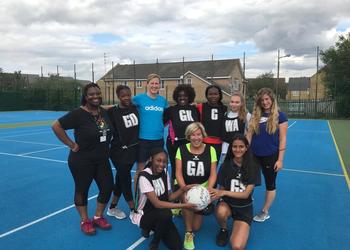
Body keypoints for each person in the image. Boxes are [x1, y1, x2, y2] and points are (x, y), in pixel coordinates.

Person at [51, 83, 113, 235]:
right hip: (81, 160)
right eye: (91, 94)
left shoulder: (102, 112)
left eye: (98, 93)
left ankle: (98, 216)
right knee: (82, 190)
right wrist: (71, 144)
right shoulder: (77, 114)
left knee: (107, 187)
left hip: (102, 159)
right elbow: (56, 126)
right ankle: (85, 220)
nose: (95, 96)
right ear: (85, 97)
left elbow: (111, 107)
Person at [130, 148, 196, 250]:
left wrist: (183, 189)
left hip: (162, 214)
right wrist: (184, 205)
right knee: (166, 214)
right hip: (145, 215)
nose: (162, 164)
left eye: (164, 162)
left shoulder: (164, 172)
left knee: (177, 246)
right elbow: (157, 204)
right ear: (151, 159)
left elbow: (169, 197)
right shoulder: (144, 176)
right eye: (158, 160)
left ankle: (157, 227)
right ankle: (154, 241)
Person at [246, 87, 288, 222]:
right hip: (253, 154)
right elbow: (249, 135)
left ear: (272, 100)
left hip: (271, 155)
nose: (265, 102)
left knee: (270, 183)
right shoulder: (255, 115)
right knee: (248, 179)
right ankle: (245, 202)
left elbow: (283, 138)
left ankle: (265, 211)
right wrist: (244, 151)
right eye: (262, 100)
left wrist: (280, 160)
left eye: (267, 99)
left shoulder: (280, 116)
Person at [175, 122, 217, 250]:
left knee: (197, 226)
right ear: (188, 136)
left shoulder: (211, 150)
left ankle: (180, 209)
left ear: (203, 135)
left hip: (202, 187)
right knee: (188, 201)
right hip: (185, 186)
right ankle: (188, 233)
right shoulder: (181, 149)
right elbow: (178, 172)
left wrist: (208, 190)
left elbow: (213, 174)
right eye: (193, 135)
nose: (196, 138)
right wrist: (184, 188)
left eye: (198, 134)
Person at [211, 134, 257, 249]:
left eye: (241, 146)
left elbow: (246, 194)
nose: (238, 149)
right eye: (234, 146)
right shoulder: (225, 166)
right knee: (221, 211)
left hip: (244, 209)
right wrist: (205, 200)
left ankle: (240, 225)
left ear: (246, 147)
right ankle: (224, 229)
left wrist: (224, 193)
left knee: (236, 246)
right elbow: (220, 190)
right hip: (227, 205)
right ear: (231, 148)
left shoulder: (254, 166)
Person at [107, 85, 139, 219]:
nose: (126, 97)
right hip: (118, 151)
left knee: (120, 178)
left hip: (133, 149)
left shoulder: (135, 108)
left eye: (128, 95)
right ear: (118, 97)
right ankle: (133, 209)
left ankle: (112, 207)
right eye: (123, 96)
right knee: (125, 178)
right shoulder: (112, 112)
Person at [133, 73, 168, 186]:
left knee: (158, 168)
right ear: (147, 84)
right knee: (141, 170)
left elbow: (168, 116)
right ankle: (139, 200)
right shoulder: (138, 99)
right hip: (143, 140)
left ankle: (156, 195)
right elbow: (123, 106)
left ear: (159, 85)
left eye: (156, 83)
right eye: (152, 83)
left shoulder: (163, 101)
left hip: (158, 140)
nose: (154, 85)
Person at [163, 84, 199, 187]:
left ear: (190, 97)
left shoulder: (194, 110)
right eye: (180, 95)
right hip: (175, 144)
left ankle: (191, 190)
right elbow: (160, 122)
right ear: (176, 97)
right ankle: (176, 191)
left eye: (185, 95)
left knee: (190, 168)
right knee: (176, 168)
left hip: (192, 144)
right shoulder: (170, 110)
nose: (182, 98)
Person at [220, 91, 251, 167]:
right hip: (226, 149)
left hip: (239, 150)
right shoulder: (225, 114)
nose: (234, 104)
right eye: (232, 102)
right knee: (226, 172)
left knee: (240, 173)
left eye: (237, 102)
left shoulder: (247, 115)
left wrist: (246, 148)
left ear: (242, 103)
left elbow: (249, 134)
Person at [197, 85, 227, 161]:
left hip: (218, 143)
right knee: (203, 166)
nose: (213, 96)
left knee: (214, 166)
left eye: (216, 94)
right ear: (206, 95)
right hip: (203, 142)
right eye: (210, 94)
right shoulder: (200, 107)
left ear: (220, 95)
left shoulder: (224, 108)